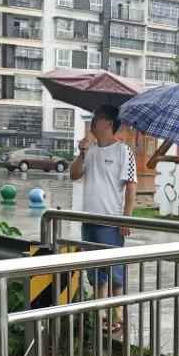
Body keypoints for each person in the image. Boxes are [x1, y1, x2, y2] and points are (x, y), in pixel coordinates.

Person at [70, 104, 138, 332]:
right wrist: (81, 153)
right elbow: (74, 174)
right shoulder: (89, 150)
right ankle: (100, 315)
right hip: (88, 220)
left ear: (109, 123)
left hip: (110, 221)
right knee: (95, 273)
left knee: (114, 271)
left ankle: (117, 317)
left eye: (96, 119)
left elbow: (131, 187)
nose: (92, 124)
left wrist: (126, 218)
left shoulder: (123, 151)